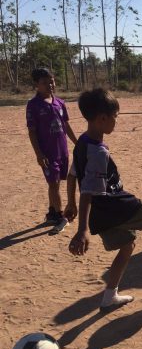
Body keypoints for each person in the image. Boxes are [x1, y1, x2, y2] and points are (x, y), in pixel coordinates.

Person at [64, 88, 142, 312]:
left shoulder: (81, 142)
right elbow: (88, 192)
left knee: (127, 245)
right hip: (116, 206)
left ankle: (109, 296)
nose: (116, 121)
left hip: (100, 215)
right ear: (102, 118)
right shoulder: (98, 152)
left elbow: (73, 174)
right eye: (115, 117)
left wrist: (70, 203)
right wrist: (82, 229)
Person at [26, 68, 78, 234]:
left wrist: (78, 143)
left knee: (57, 182)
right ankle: (61, 216)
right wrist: (39, 154)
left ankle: (51, 212)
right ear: (36, 85)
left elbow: (66, 125)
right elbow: (32, 131)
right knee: (53, 184)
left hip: (62, 151)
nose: (50, 85)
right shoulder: (33, 105)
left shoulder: (60, 103)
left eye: (52, 81)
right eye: (45, 82)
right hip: (47, 154)